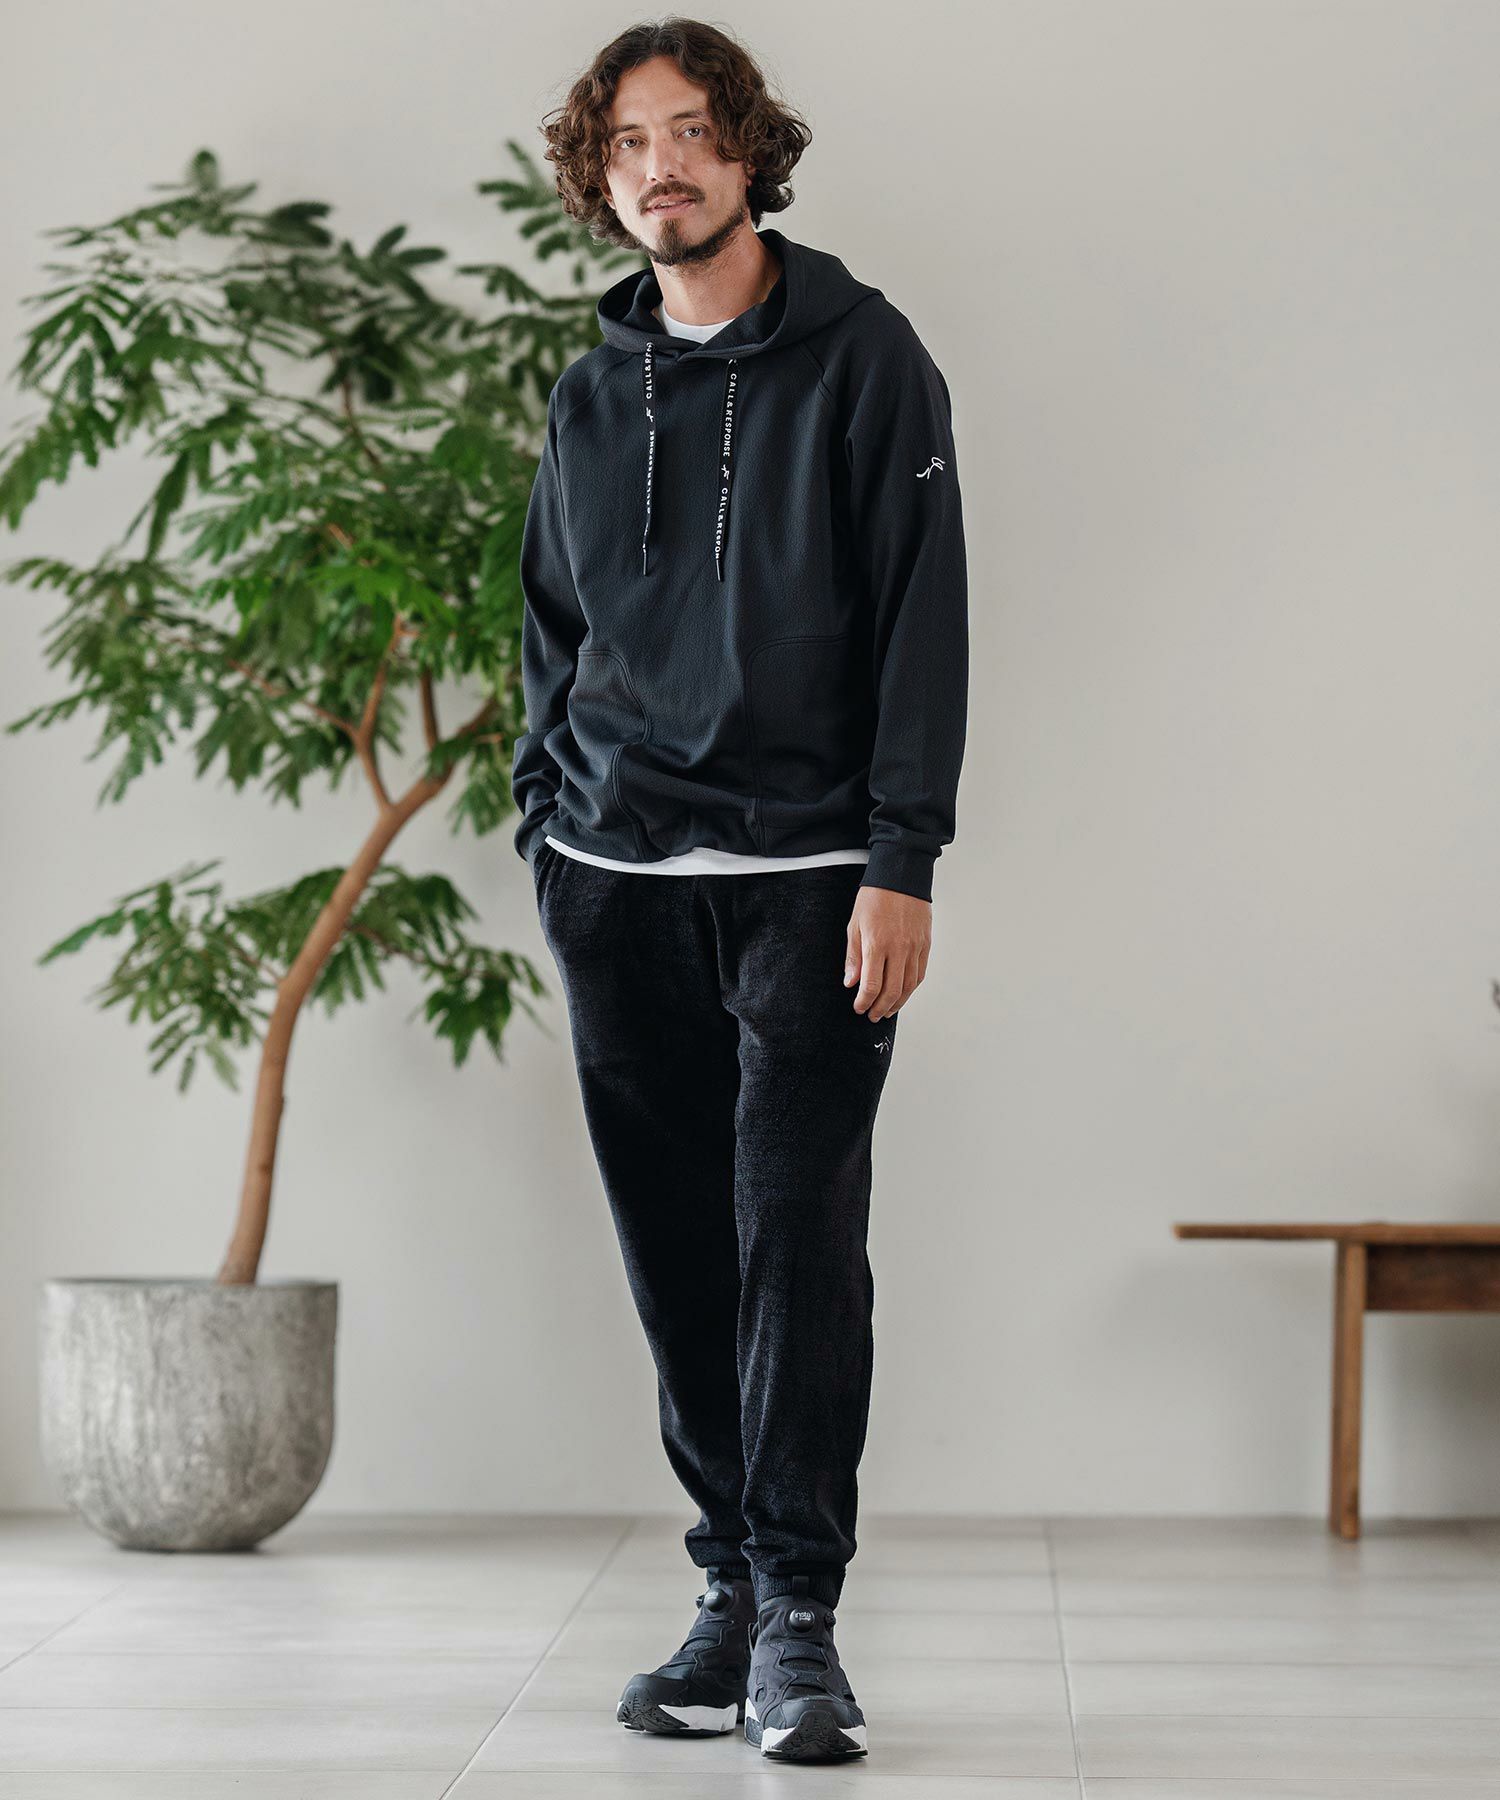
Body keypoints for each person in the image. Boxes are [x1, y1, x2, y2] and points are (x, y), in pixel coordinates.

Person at [511, 16, 968, 1764]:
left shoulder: (866, 358)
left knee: (799, 1249)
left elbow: (923, 617)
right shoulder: (587, 391)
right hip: (614, 881)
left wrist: (902, 858)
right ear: (600, 174)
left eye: (695, 133)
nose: (664, 168)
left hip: (810, 883)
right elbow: (550, 629)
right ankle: (727, 1579)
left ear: (749, 153)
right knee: (678, 1257)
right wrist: (549, 829)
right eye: (631, 143)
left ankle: (798, 1620)